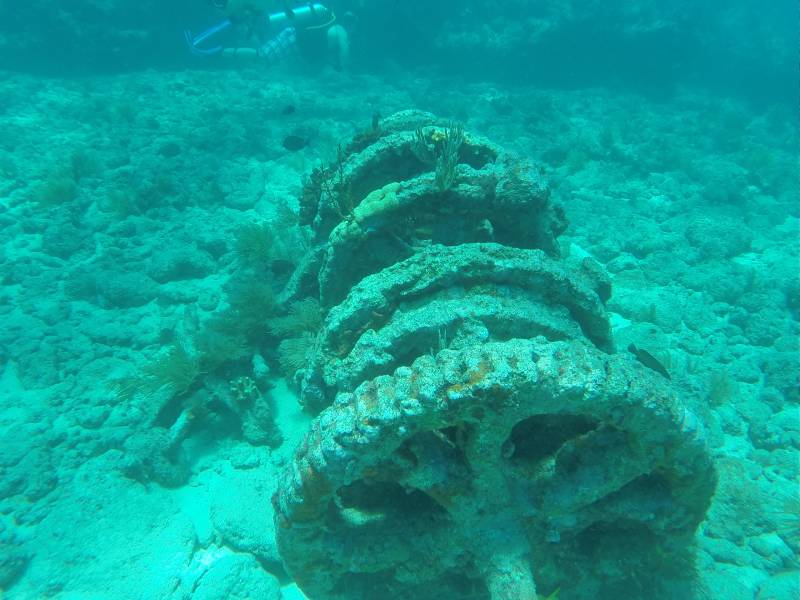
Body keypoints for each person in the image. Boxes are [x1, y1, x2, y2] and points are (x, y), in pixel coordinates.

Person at [185, 1, 349, 70]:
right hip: (294, 41)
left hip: (296, 43)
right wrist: (344, 69)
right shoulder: (340, 29)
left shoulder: (331, 24)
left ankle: (219, 50)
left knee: (261, 56)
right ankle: (214, 53)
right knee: (261, 56)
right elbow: (344, 47)